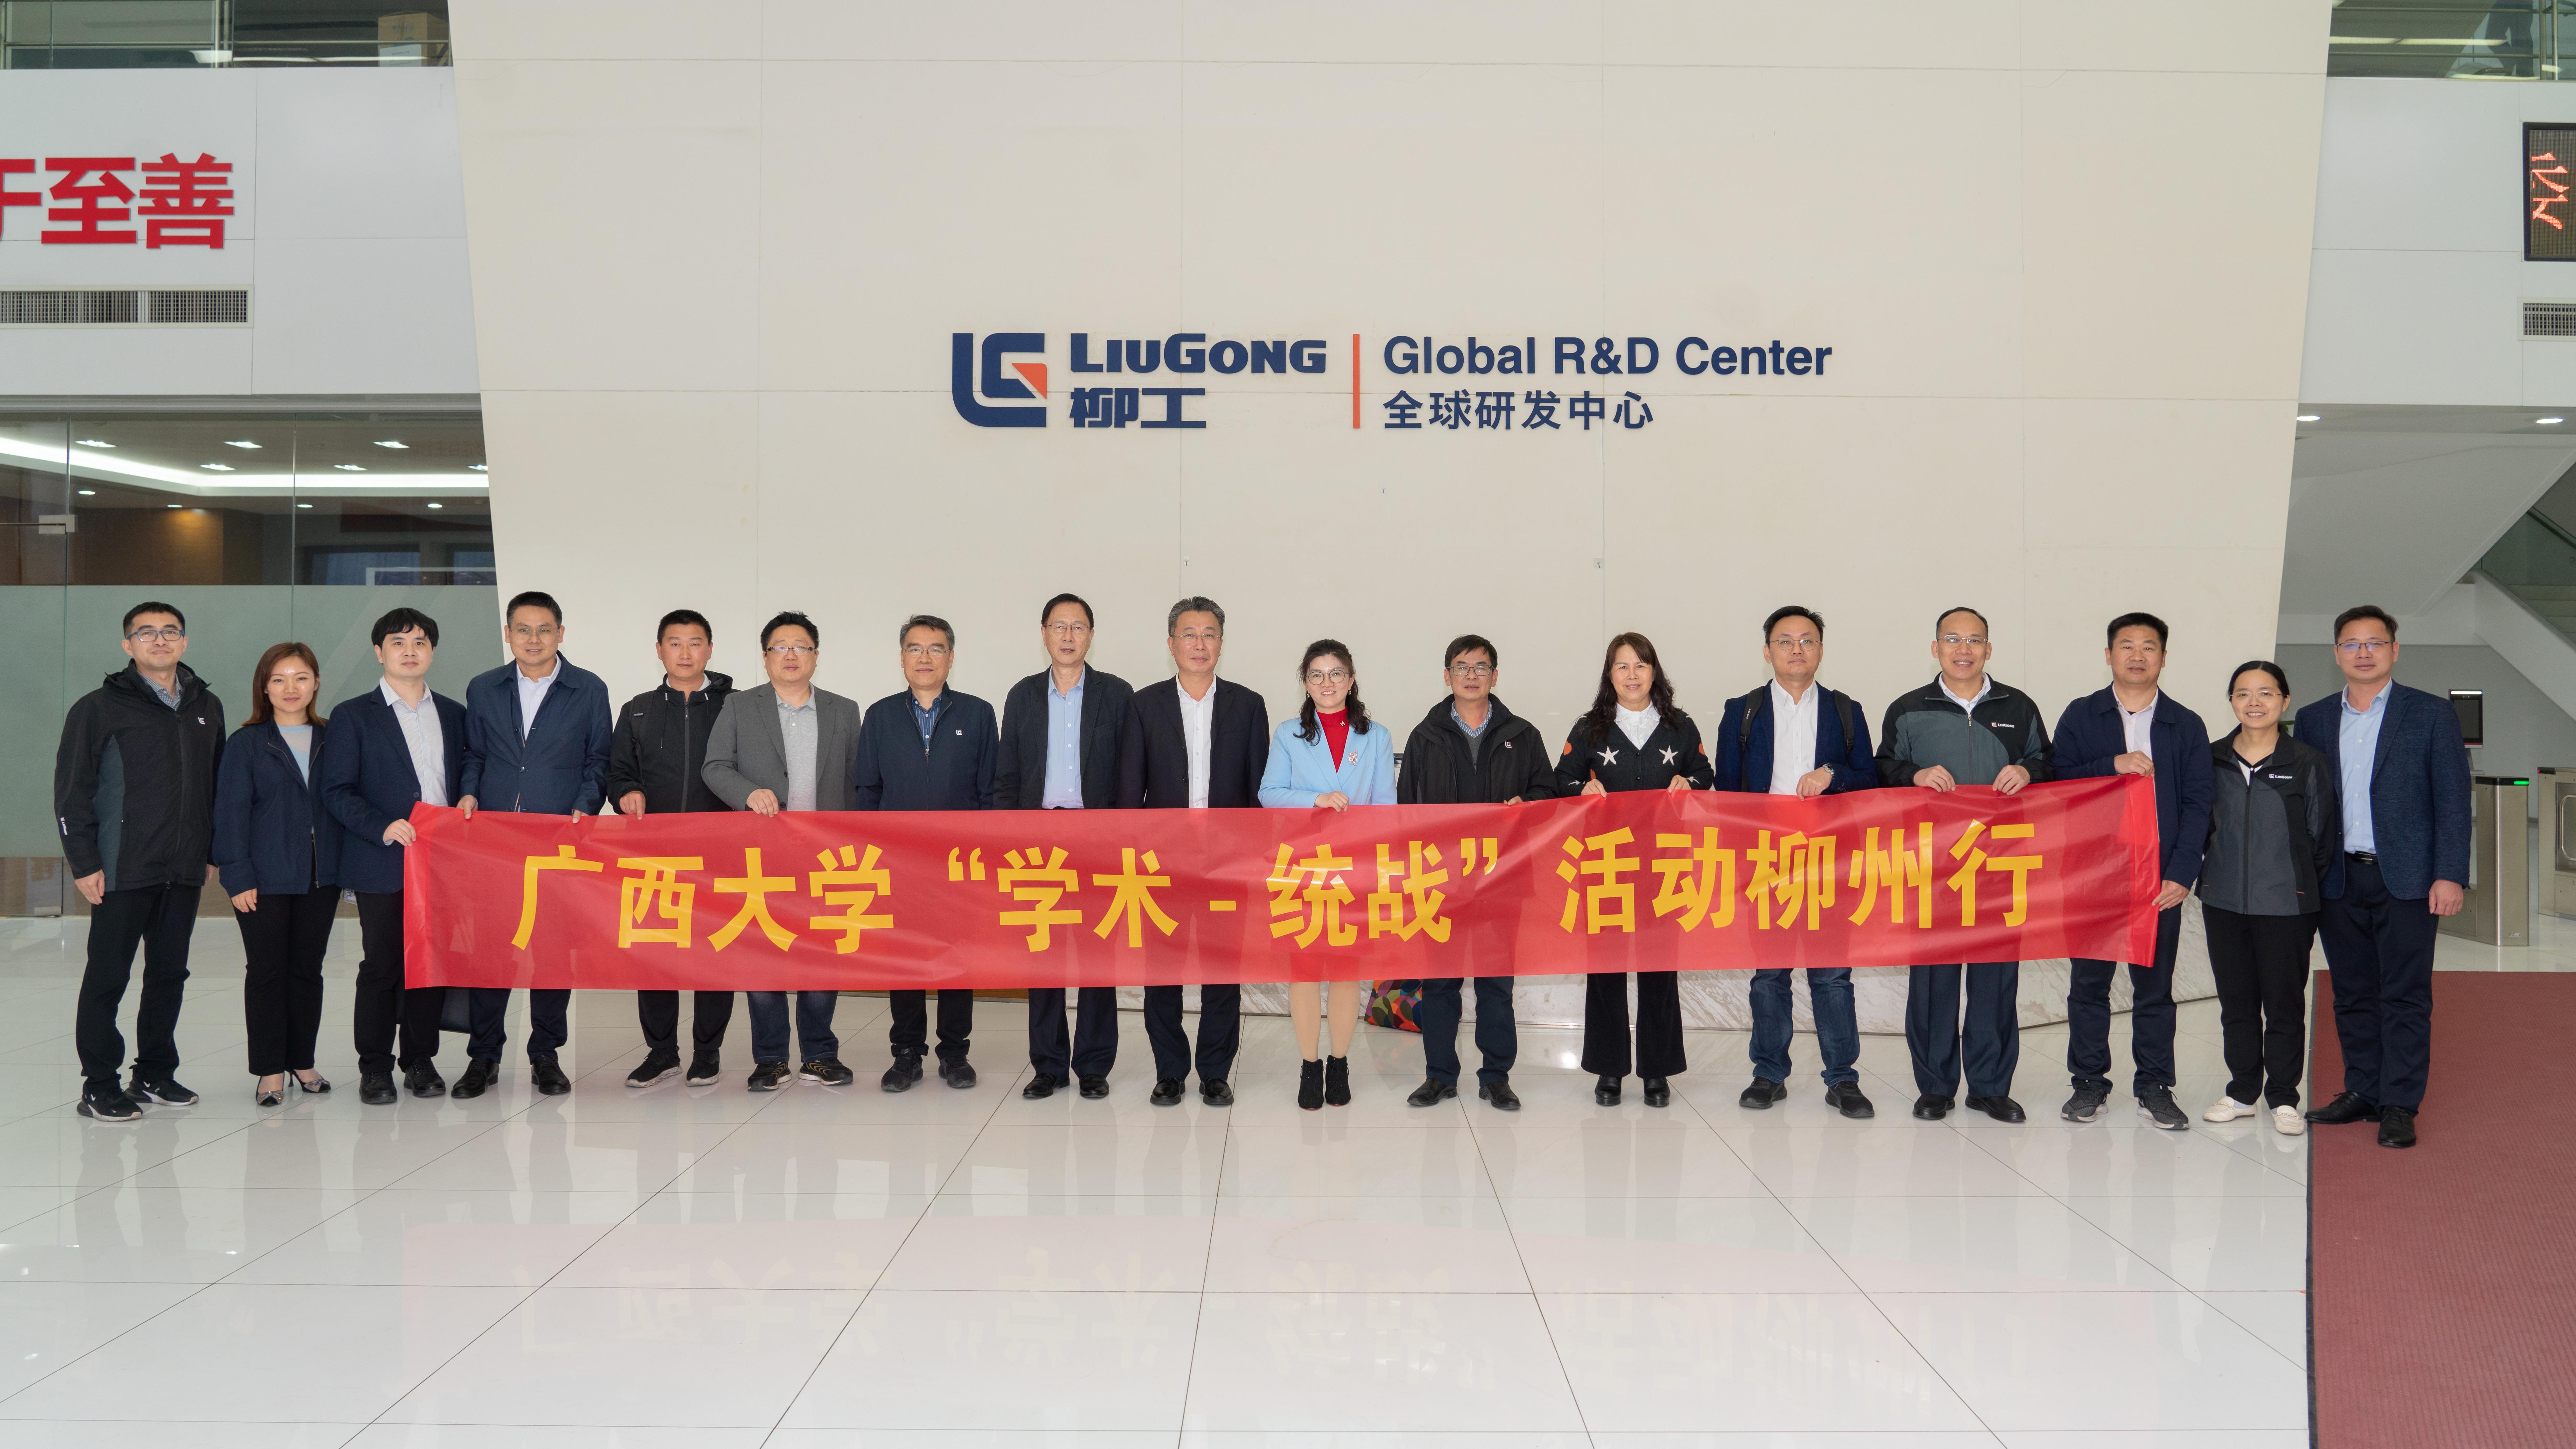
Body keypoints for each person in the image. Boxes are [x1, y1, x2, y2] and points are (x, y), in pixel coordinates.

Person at [2293, 605, 2470, 1150]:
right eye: (2352, 643)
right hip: (2338, 878)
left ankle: (2399, 1104)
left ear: (2395, 650)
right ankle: (2363, 1091)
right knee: (2351, 993)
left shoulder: (2432, 714)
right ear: (2337, 654)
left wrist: (2449, 875)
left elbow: (2453, 800)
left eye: (2374, 642)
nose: (2364, 652)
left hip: (2410, 879)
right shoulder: (2315, 718)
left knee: (2405, 995)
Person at [1875, 606, 2053, 1124]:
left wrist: (2028, 771)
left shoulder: (2018, 706)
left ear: (1989, 650)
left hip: (2001, 865)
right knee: (1934, 981)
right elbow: (1881, 769)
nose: (1964, 649)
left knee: (1995, 981)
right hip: (1932, 866)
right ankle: (1935, 1087)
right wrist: (1913, 774)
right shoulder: (1908, 709)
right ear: (1936, 649)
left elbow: (2050, 762)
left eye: (1974, 640)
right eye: (1953, 639)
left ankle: (1991, 1087)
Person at [56, 601, 227, 1122]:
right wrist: (84, 863)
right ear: (128, 645)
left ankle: (153, 1073)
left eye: (170, 631)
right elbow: (72, 793)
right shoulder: (98, 708)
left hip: (183, 868)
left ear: (184, 642)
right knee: (108, 977)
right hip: (120, 868)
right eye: (146, 632)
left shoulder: (206, 705)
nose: (160, 640)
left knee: (169, 975)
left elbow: (216, 786)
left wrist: (211, 851)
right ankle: (99, 1085)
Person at [1711, 606, 1877, 1119]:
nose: (1796, 649)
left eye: (1807, 640)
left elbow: (1870, 780)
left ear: (1821, 650)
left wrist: (1833, 774)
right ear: (1768, 653)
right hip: (1766, 860)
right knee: (1769, 976)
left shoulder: (1846, 710)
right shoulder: (1743, 711)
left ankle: (1843, 1079)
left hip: (1830, 860)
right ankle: (1769, 1074)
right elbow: (1727, 792)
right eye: (1785, 641)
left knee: (1833, 977)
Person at [2051, 613, 2213, 1130]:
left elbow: (2199, 803)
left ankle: (2155, 1087)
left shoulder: (2186, 724)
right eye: (2127, 646)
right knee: (2089, 986)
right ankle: (2089, 1082)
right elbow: (2056, 784)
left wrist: (2182, 872)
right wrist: (2111, 765)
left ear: (2164, 657)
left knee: (2154, 989)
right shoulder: (2082, 715)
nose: (2137, 656)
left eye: (2149, 646)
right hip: (2094, 875)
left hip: (2158, 878)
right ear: (2109, 656)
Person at [455, 590, 614, 1099]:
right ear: (508, 635)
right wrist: (469, 792)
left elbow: (599, 760)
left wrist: (586, 806)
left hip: (558, 840)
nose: (534, 639)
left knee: (553, 950)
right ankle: (484, 1056)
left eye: (544, 630)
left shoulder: (588, 689)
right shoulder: (484, 687)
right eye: (523, 630)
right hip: (495, 840)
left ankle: (546, 1053)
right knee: (491, 949)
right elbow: (474, 754)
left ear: (560, 634)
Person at [701, 611, 862, 1091]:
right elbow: (715, 766)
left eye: (801, 647)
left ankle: (820, 1054)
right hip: (762, 854)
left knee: (823, 954)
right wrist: (748, 793)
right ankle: (770, 1058)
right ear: (766, 656)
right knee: (763, 954)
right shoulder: (739, 706)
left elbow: (857, 780)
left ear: (816, 655)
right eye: (780, 647)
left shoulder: (844, 710)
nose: (791, 655)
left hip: (825, 855)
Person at [1395, 633, 1555, 1112]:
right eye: (1462, 667)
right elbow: (1405, 809)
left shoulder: (1523, 735)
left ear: (1495, 676)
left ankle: (1496, 1077)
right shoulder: (1424, 736)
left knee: (1496, 984)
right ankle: (1440, 1076)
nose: (1471, 675)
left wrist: (1526, 804)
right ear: (1447, 676)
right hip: (1439, 880)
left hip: (1501, 878)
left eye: (1481, 667)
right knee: (1440, 983)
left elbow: (1548, 796)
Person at [1552, 632, 1712, 1108]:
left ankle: (1657, 1070)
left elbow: (1706, 775)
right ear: (1610, 675)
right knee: (1606, 970)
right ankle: (1610, 1069)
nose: (1632, 675)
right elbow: (1561, 780)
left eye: (1641, 665)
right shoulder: (1589, 728)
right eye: (1622, 666)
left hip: (1666, 865)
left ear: (1654, 672)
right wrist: (1582, 790)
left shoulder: (1679, 725)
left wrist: (1690, 782)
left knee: (1659, 969)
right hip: (1607, 865)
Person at [1119, 597, 1268, 1107]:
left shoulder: (1248, 705)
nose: (1199, 644)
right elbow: (1129, 792)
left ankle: (1215, 1072)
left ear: (1221, 643)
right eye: (1189, 634)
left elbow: (1258, 794)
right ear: (1171, 644)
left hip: (1227, 861)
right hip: (1164, 862)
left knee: (1222, 970)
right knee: (1162, 970)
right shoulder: (1144, 705)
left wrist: (1253, 861)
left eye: (1209, 634)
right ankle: (1169, 1071)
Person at [319, 607, 465, 1105]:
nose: (410, 651)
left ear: (432, 653)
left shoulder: (454, 714)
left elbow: (464, 776)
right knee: (382, 965)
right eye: (398, 643)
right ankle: (375, 1067)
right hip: (382, 860)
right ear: (379, 653)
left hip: (442, 862)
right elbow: (336, 789)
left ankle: (420, 1061)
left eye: (420, 642)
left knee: (430, 964)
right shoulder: (353, 715)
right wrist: (381, 826)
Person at [997, 592, 1135, 1101]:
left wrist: (1123, 836)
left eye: (1078, 627)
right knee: (1044, 955)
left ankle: (1094, 1066)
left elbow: (1130, 774)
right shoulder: (1023, 695)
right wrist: (1007, 838)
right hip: (1039, 840)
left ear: (1091, 636)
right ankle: (1049, 1065)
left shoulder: (1117, 694)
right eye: (1060, 626)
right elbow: (1008, 775)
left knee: (1098, 955)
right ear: (1044, 634)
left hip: (1099, 837)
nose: (1069, 636)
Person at [854, 614, 998, 1091]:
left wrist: (982, 854)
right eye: (915, 649)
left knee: (958, 957)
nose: (925, 658)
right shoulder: (880, 716)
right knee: (905, 957)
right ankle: (906, 1053)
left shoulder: (978, 714)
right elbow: (867, 791)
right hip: (900, 863)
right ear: (902, 658)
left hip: (960, 863)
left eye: (936, 649)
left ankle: (955, 1053)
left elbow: (989, 792)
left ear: (951, 658)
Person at [1261, 639, 1398, 1109]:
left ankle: (1339, 1063)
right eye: (1317, 675)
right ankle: (1309, 1064)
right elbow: (1269, 793)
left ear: (1351, 679)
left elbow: (1386, 808)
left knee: (1345, 971)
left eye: (1337, 673)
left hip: (1355, 868)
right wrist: (1314, 800)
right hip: (1301, 866)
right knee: (1303, 972)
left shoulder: (1376, 736)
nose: (1328, 683)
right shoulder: (1288, 734)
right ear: (1306, 683)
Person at [2199, 661, 2334, 1136]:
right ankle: (2242, 1092)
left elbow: (2321, 838)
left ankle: (2283, 1096)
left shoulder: (2307, 761)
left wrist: (2299, 887)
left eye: (2266, 693)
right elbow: (2198, 827)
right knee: (2236, 1002)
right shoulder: (2211, 758)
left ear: (2285, 700)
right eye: (2243, 694)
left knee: (2283, 1002)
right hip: (2223, 902)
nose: (2254, 702)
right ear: (2232, 702)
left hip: (2287, 905)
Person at [607, 609, 737, 1088]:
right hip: (653, 853)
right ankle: (662, 1052)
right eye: (675, 643)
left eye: (695, 643)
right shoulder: (638, 709)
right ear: (659, 650)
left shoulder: (737, 706)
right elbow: (618, 773)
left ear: (710, 649)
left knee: (714, 953)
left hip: (720, 853)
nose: (685, 652)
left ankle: (708, 1052)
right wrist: (626, 793)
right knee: (655, 953)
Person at [211, 643, 344, 1106]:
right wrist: (237, 875)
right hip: (263, 878)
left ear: (316, 683)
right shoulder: (248, 743)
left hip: (320, 877)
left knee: (308, 970)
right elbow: (229, 814)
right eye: (279, 679)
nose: (291, 688)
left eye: (301, 678)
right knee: (267, 971)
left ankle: (302, 1061)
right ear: (264, 688)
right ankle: (270, 1069)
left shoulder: (334, 738)